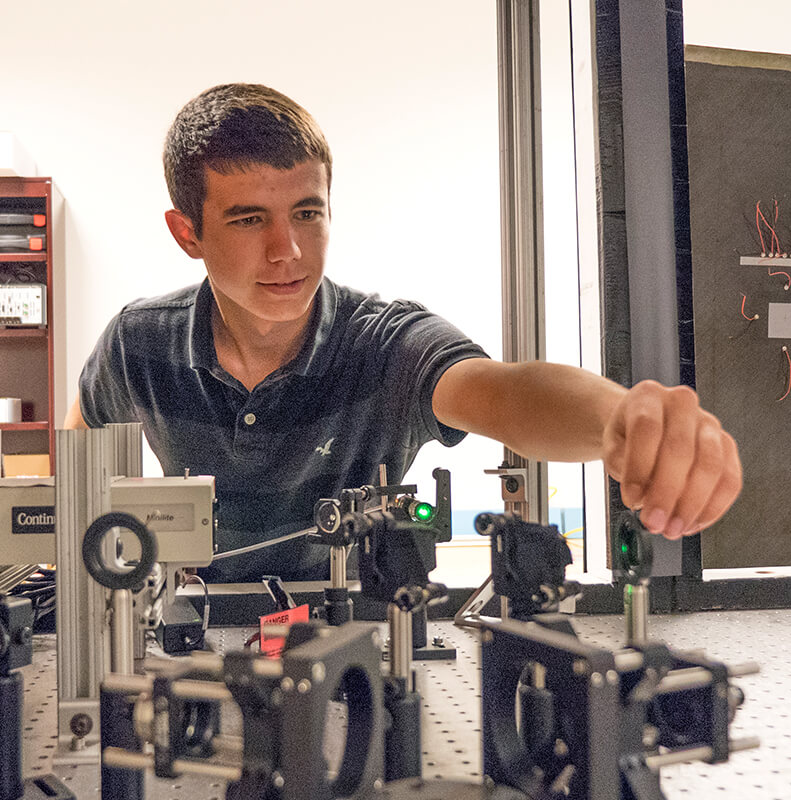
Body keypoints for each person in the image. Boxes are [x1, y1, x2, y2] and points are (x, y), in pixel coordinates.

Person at [66, 83, 741, 582]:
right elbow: (77, 470)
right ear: (188, 233)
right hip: (193, 645)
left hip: (355, 649)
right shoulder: (138, 345)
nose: (289, 252)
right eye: (249, 221)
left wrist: (620, 419)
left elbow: (501, 393)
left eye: (307, 213)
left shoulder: (385, 343)